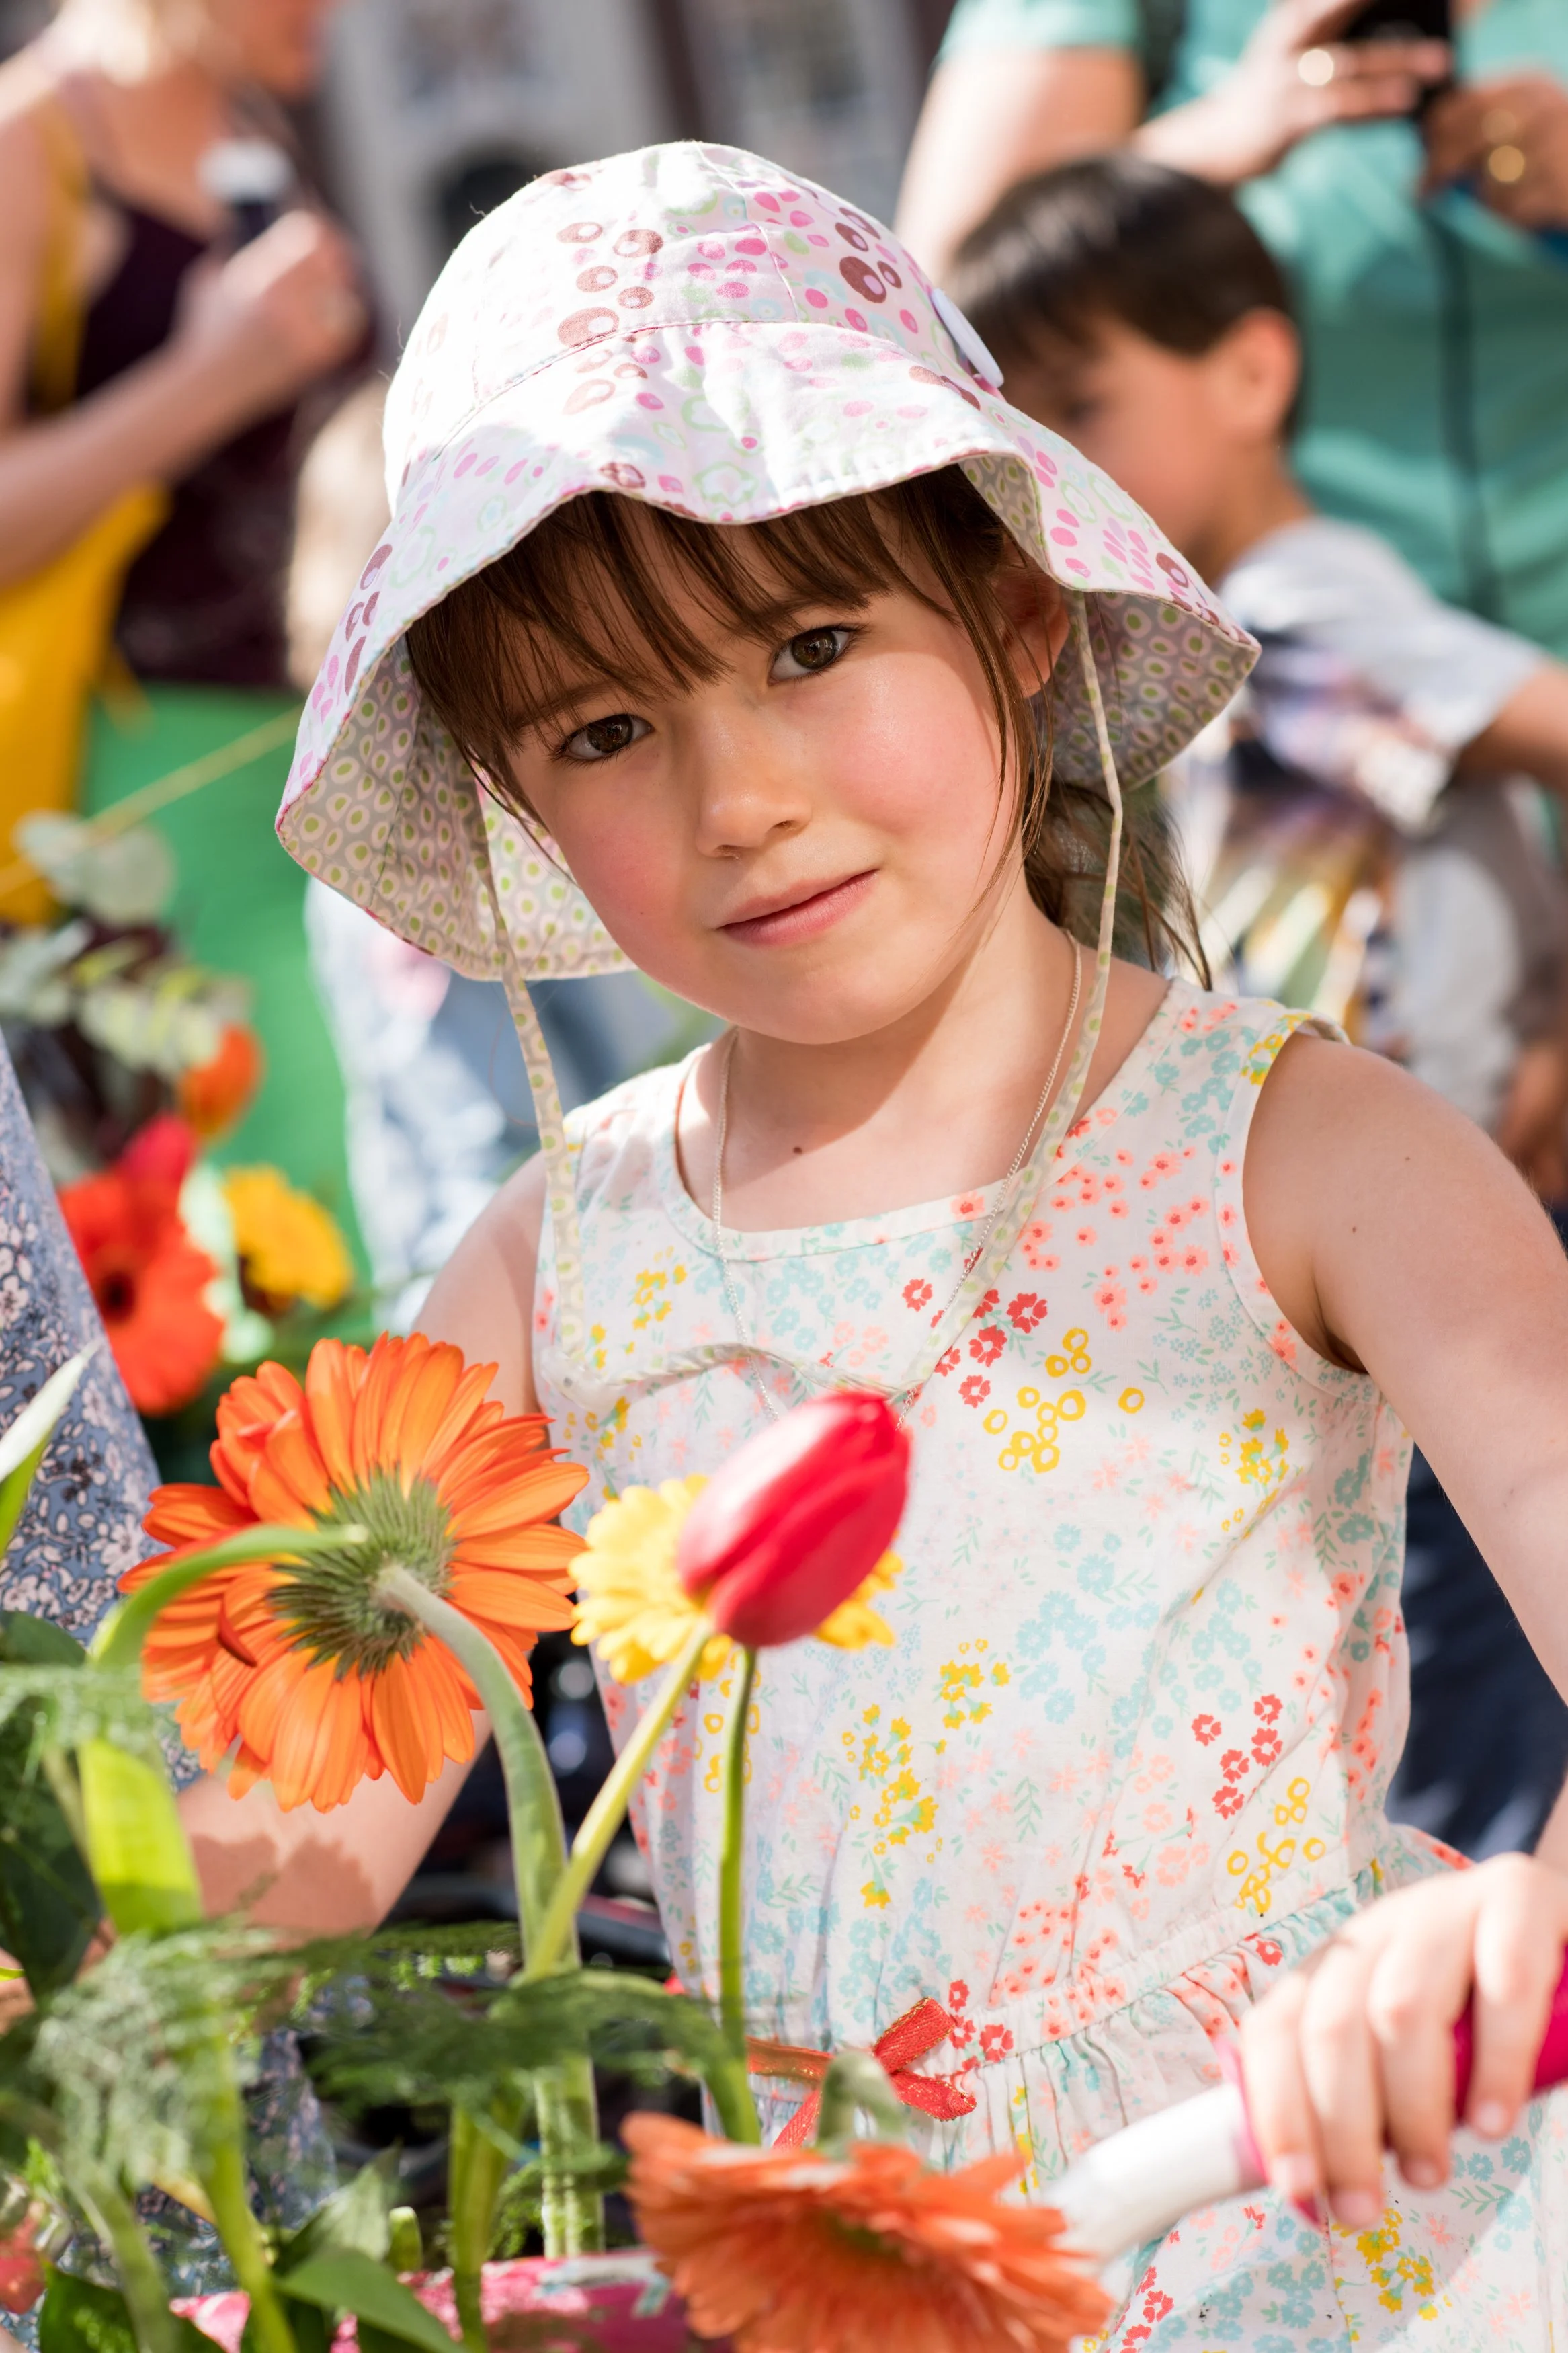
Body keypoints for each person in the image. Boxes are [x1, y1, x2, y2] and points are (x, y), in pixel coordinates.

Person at [265, 144, 1568, 2342]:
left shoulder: (1301, 1148)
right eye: (606, 728)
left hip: (1309, 2232)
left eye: (810, 646)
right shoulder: (555, 1257)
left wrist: (1511, 1921)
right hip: (841, 2280)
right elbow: (278, 1852)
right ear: (511, 794)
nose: (739, 796)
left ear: (1016, 611)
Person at [946, 153, 1568, 1864]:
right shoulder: (1218, 627)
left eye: (1085, 406)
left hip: (1416, 1223)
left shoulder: (1303, 604)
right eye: (1024, 435)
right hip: (1343, 1229)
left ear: (1250, 369)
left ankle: (1486, 1969)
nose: (1060, 467)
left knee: (1459, 1677)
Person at [0, 0, 369, 1226]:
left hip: (334, 724)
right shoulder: (29, 144)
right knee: (295, 1199)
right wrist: (210, 376)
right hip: (163, 762)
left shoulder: (250, 120)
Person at [895, 0, 1568, 660]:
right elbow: (936, 311)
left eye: (1078, 409)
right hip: (1220, 616)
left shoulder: (1319, 609)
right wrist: (1214, 137)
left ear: (1257, 372)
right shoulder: (1304, 607)